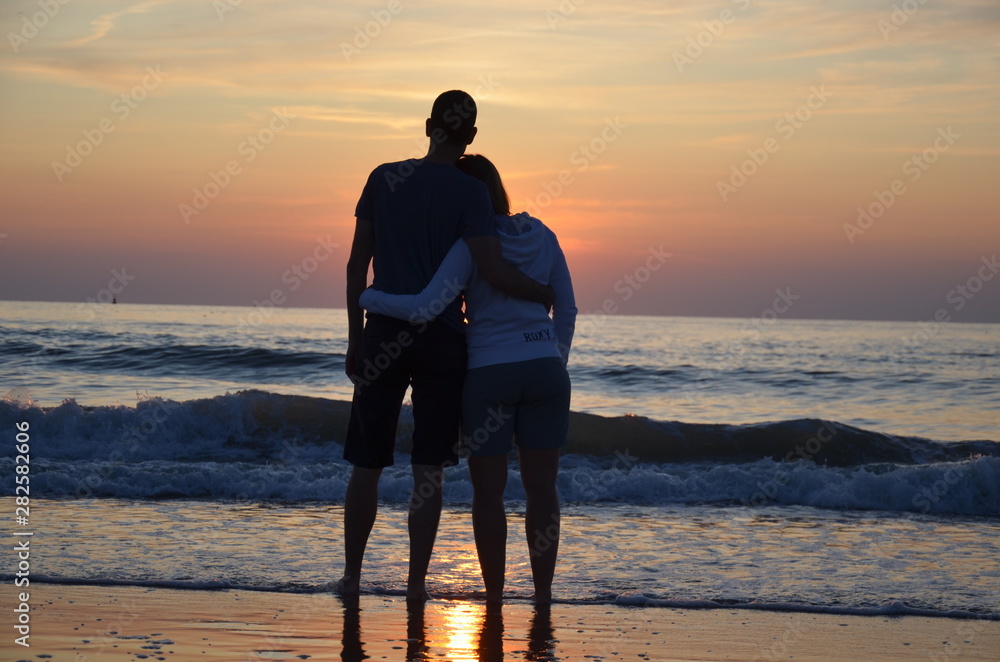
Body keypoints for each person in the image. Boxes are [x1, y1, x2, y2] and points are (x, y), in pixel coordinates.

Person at [340, 91, 554, 601]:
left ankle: (352, 576)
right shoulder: (470, 193)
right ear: (471, 137)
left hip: (383, 331)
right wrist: (542, 294)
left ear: (428, 124)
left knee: (366, 463)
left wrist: (354, 338)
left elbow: (355, 267)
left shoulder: (382, 177)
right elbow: (490, 268)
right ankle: (415, 584)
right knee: (428, 470)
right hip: (442, 339)